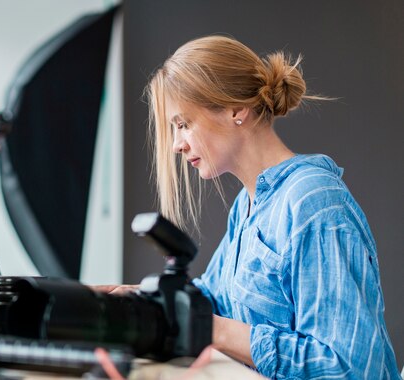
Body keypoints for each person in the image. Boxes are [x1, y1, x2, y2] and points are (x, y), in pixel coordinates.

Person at [102, 35, 400, 378]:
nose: (176, 145)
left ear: (235, 110)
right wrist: (134, 299)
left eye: (183, 124)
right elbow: (212, 299)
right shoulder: (249, 205)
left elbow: (347, 366)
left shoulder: (313, 203)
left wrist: (213, 330)